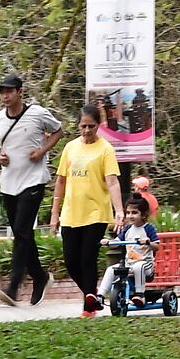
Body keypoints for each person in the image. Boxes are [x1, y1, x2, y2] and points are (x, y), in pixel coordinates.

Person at [0, 69, 62, 306]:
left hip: (33, 179)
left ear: (20, 92)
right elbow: (3, 147)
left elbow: (58, 131)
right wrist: (0, 157)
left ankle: (13, 287)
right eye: (2, 92)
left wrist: (42, 151)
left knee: (21, 230)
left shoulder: (38, 113)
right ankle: (40, 277)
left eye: (9, 91)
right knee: (23, 234)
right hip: (8, 182)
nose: (5, 96)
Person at [48, 106, 123, 315]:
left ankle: (88, 307)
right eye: (83, 126)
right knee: (71, 261)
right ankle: (93, 296)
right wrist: (55, 213)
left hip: (96, 212)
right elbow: (60, 181)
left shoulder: (105, 149)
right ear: (78, 126)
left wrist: (119, 211)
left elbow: (112, 181)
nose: (87, 130)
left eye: (91, 126)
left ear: (98, 125)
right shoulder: (70, 148)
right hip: (71, 213)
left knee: (87, 258)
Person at [97, 198, 155, 308]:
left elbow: (156, 246)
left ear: (143, 215)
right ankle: (100, 296)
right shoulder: (127, 229)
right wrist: (108, 242)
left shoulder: (148, 228)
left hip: (146, 266)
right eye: (128, 213)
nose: (130, 216)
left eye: (134, 213)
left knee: (139, 266)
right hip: (129, 264)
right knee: (111, 270)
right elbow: (117, 242)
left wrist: (148, 243)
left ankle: (140, 295)